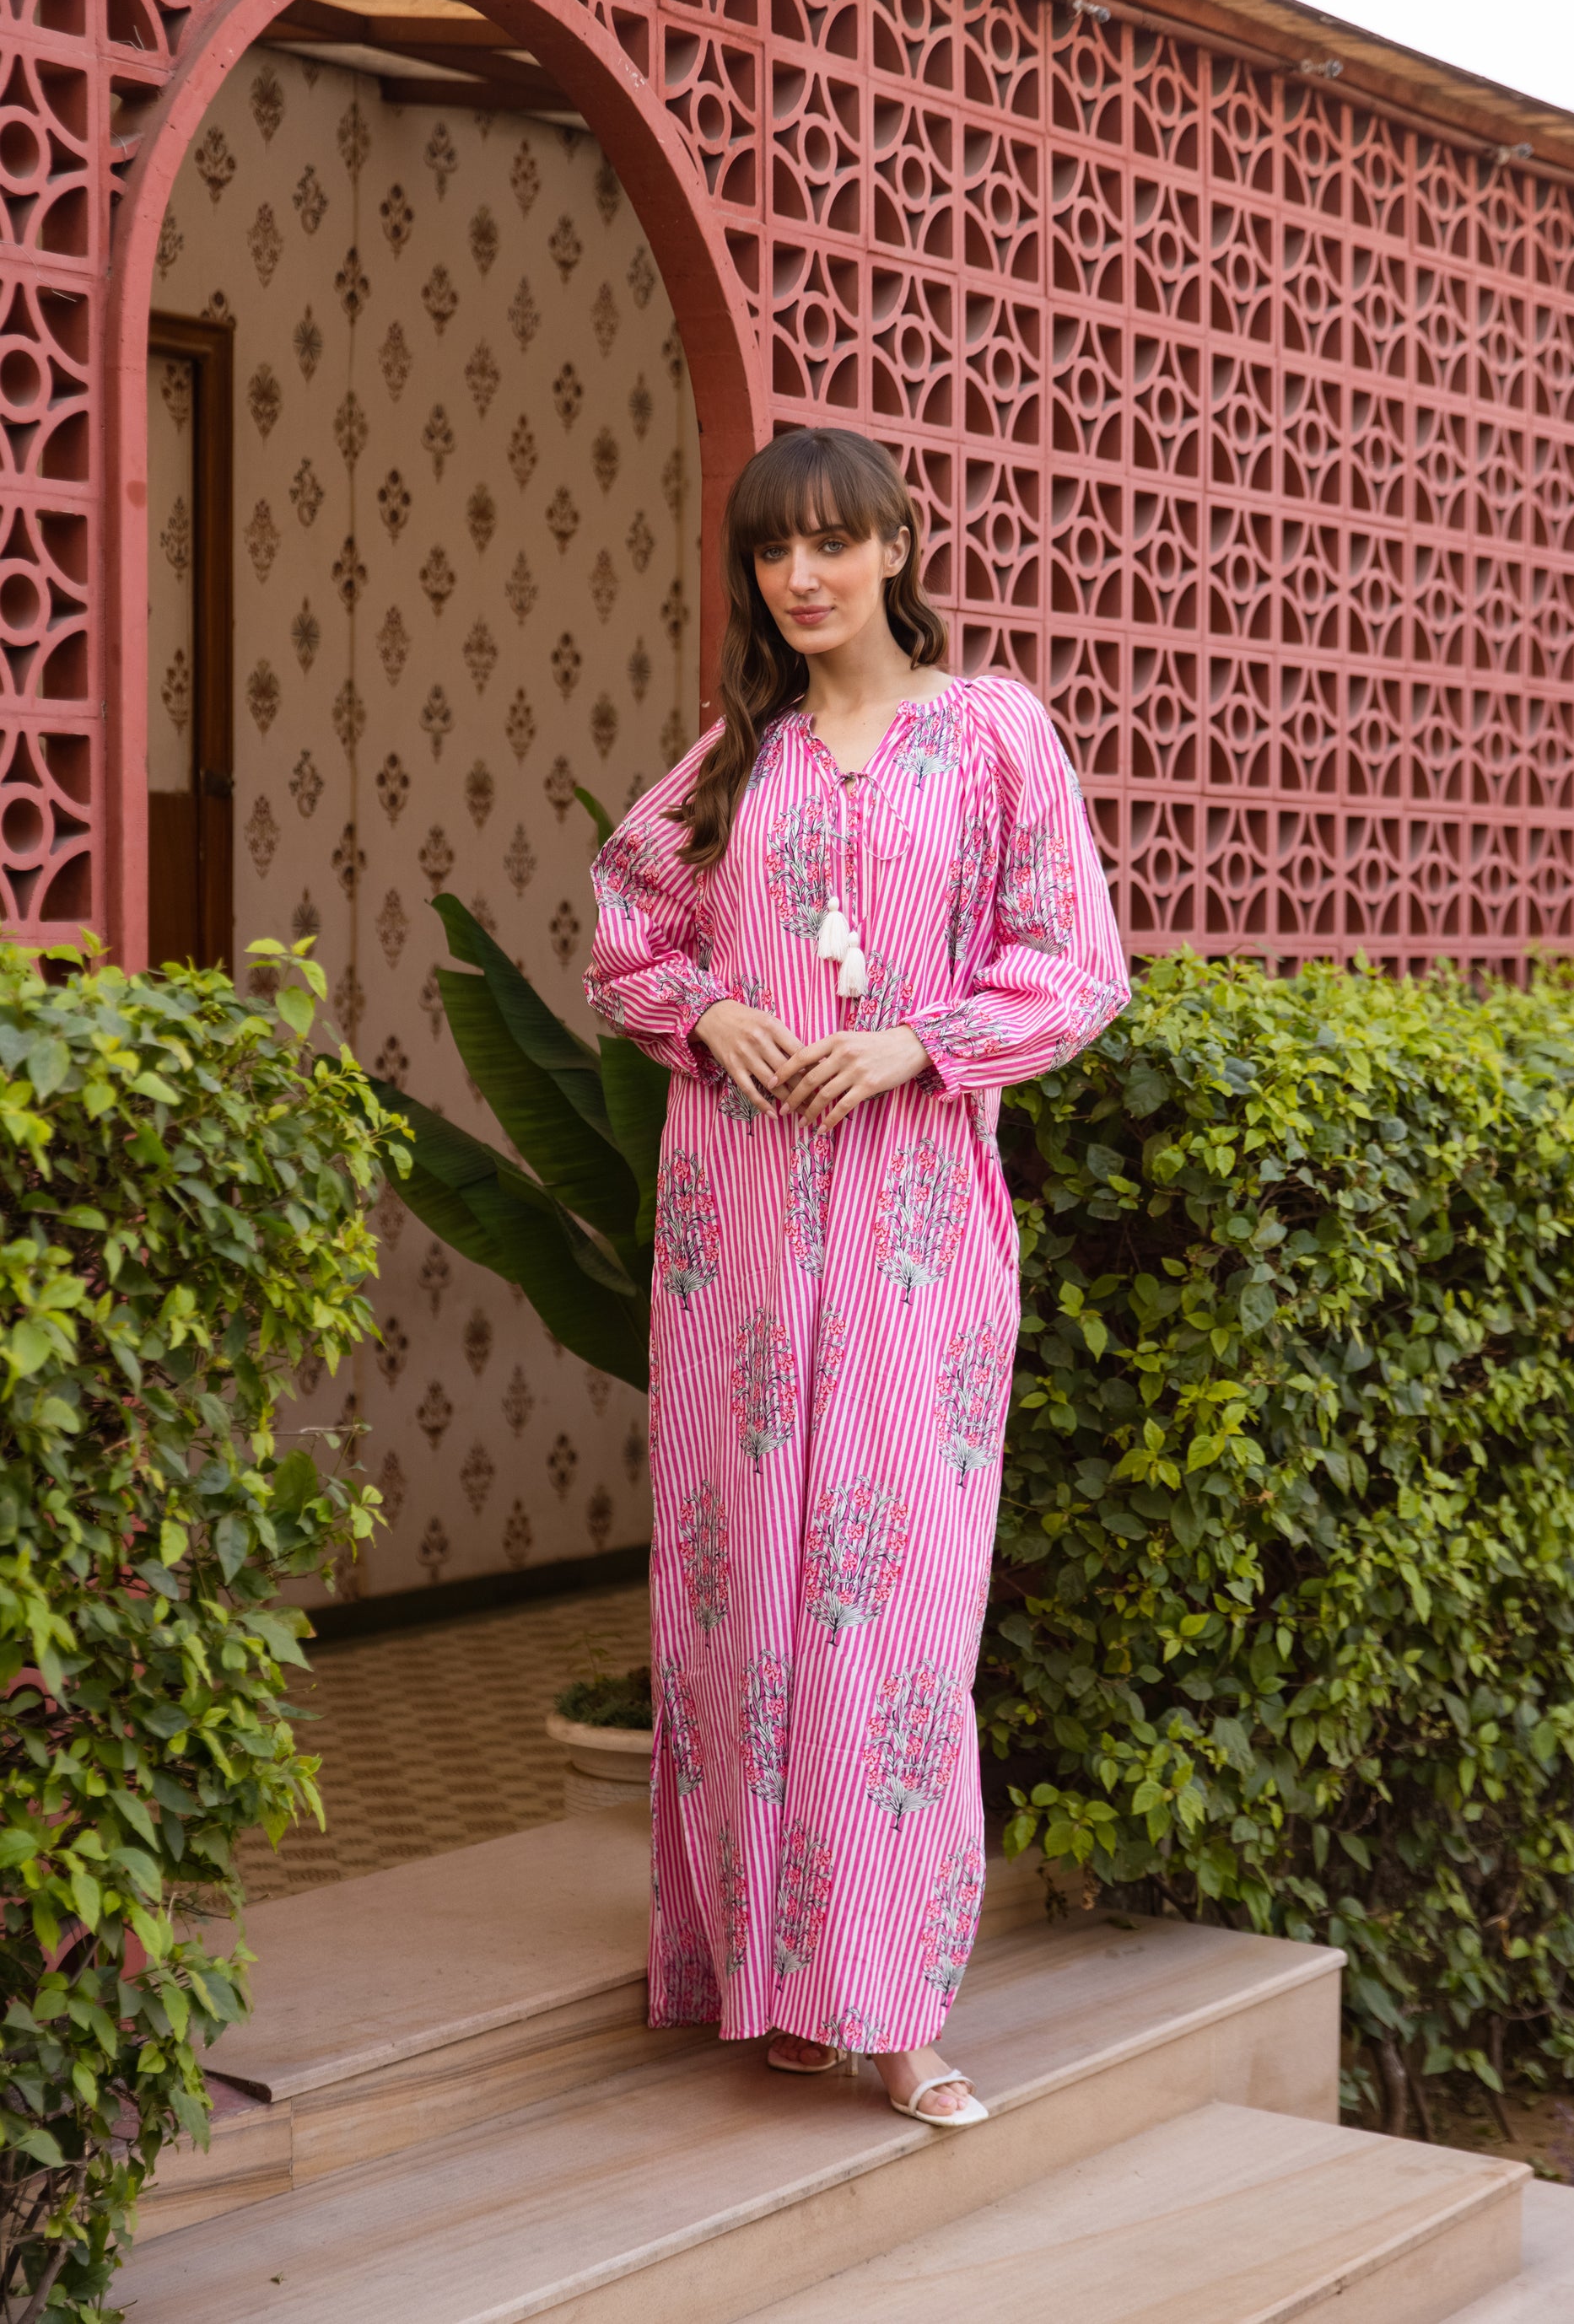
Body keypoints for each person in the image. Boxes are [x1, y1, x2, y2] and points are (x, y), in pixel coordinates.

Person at [583, 427, 1129, 2128]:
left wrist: (917, 1043)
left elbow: (1074, 964)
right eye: (771, 552)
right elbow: (626, 930)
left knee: (889, 1610)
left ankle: (896, 2011)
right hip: (738, 1227)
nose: (801, 577)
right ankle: (773, 1977)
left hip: (909, 1225)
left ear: (896, 544)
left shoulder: (992, 734)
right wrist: (711, 1014)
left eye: (831, 542)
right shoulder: (736, 757)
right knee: (743, 1593)